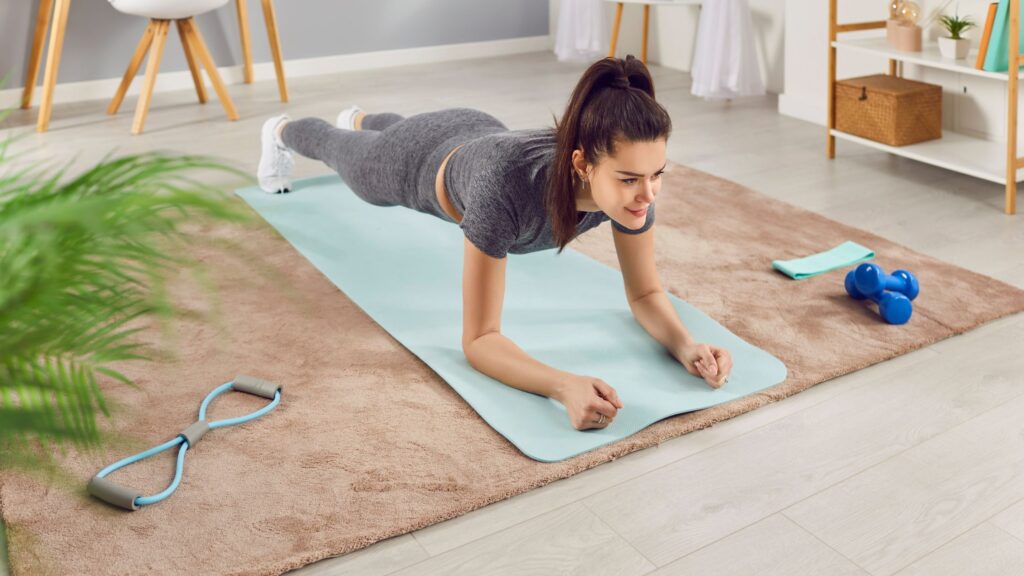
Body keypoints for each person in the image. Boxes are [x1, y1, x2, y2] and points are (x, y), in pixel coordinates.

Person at [256, 55, 733, 431]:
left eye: (657, 175)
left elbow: (645, 294)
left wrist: (685, 345)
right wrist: (562, 386)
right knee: (342, 155)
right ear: (583, 164)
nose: (648, 194)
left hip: (477, 129)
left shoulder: (631, 194)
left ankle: (363, 118)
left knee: (402, 130)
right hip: (415, 164)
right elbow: (480, 340)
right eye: (631, 179)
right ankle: (282, 131)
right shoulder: (505, 190)